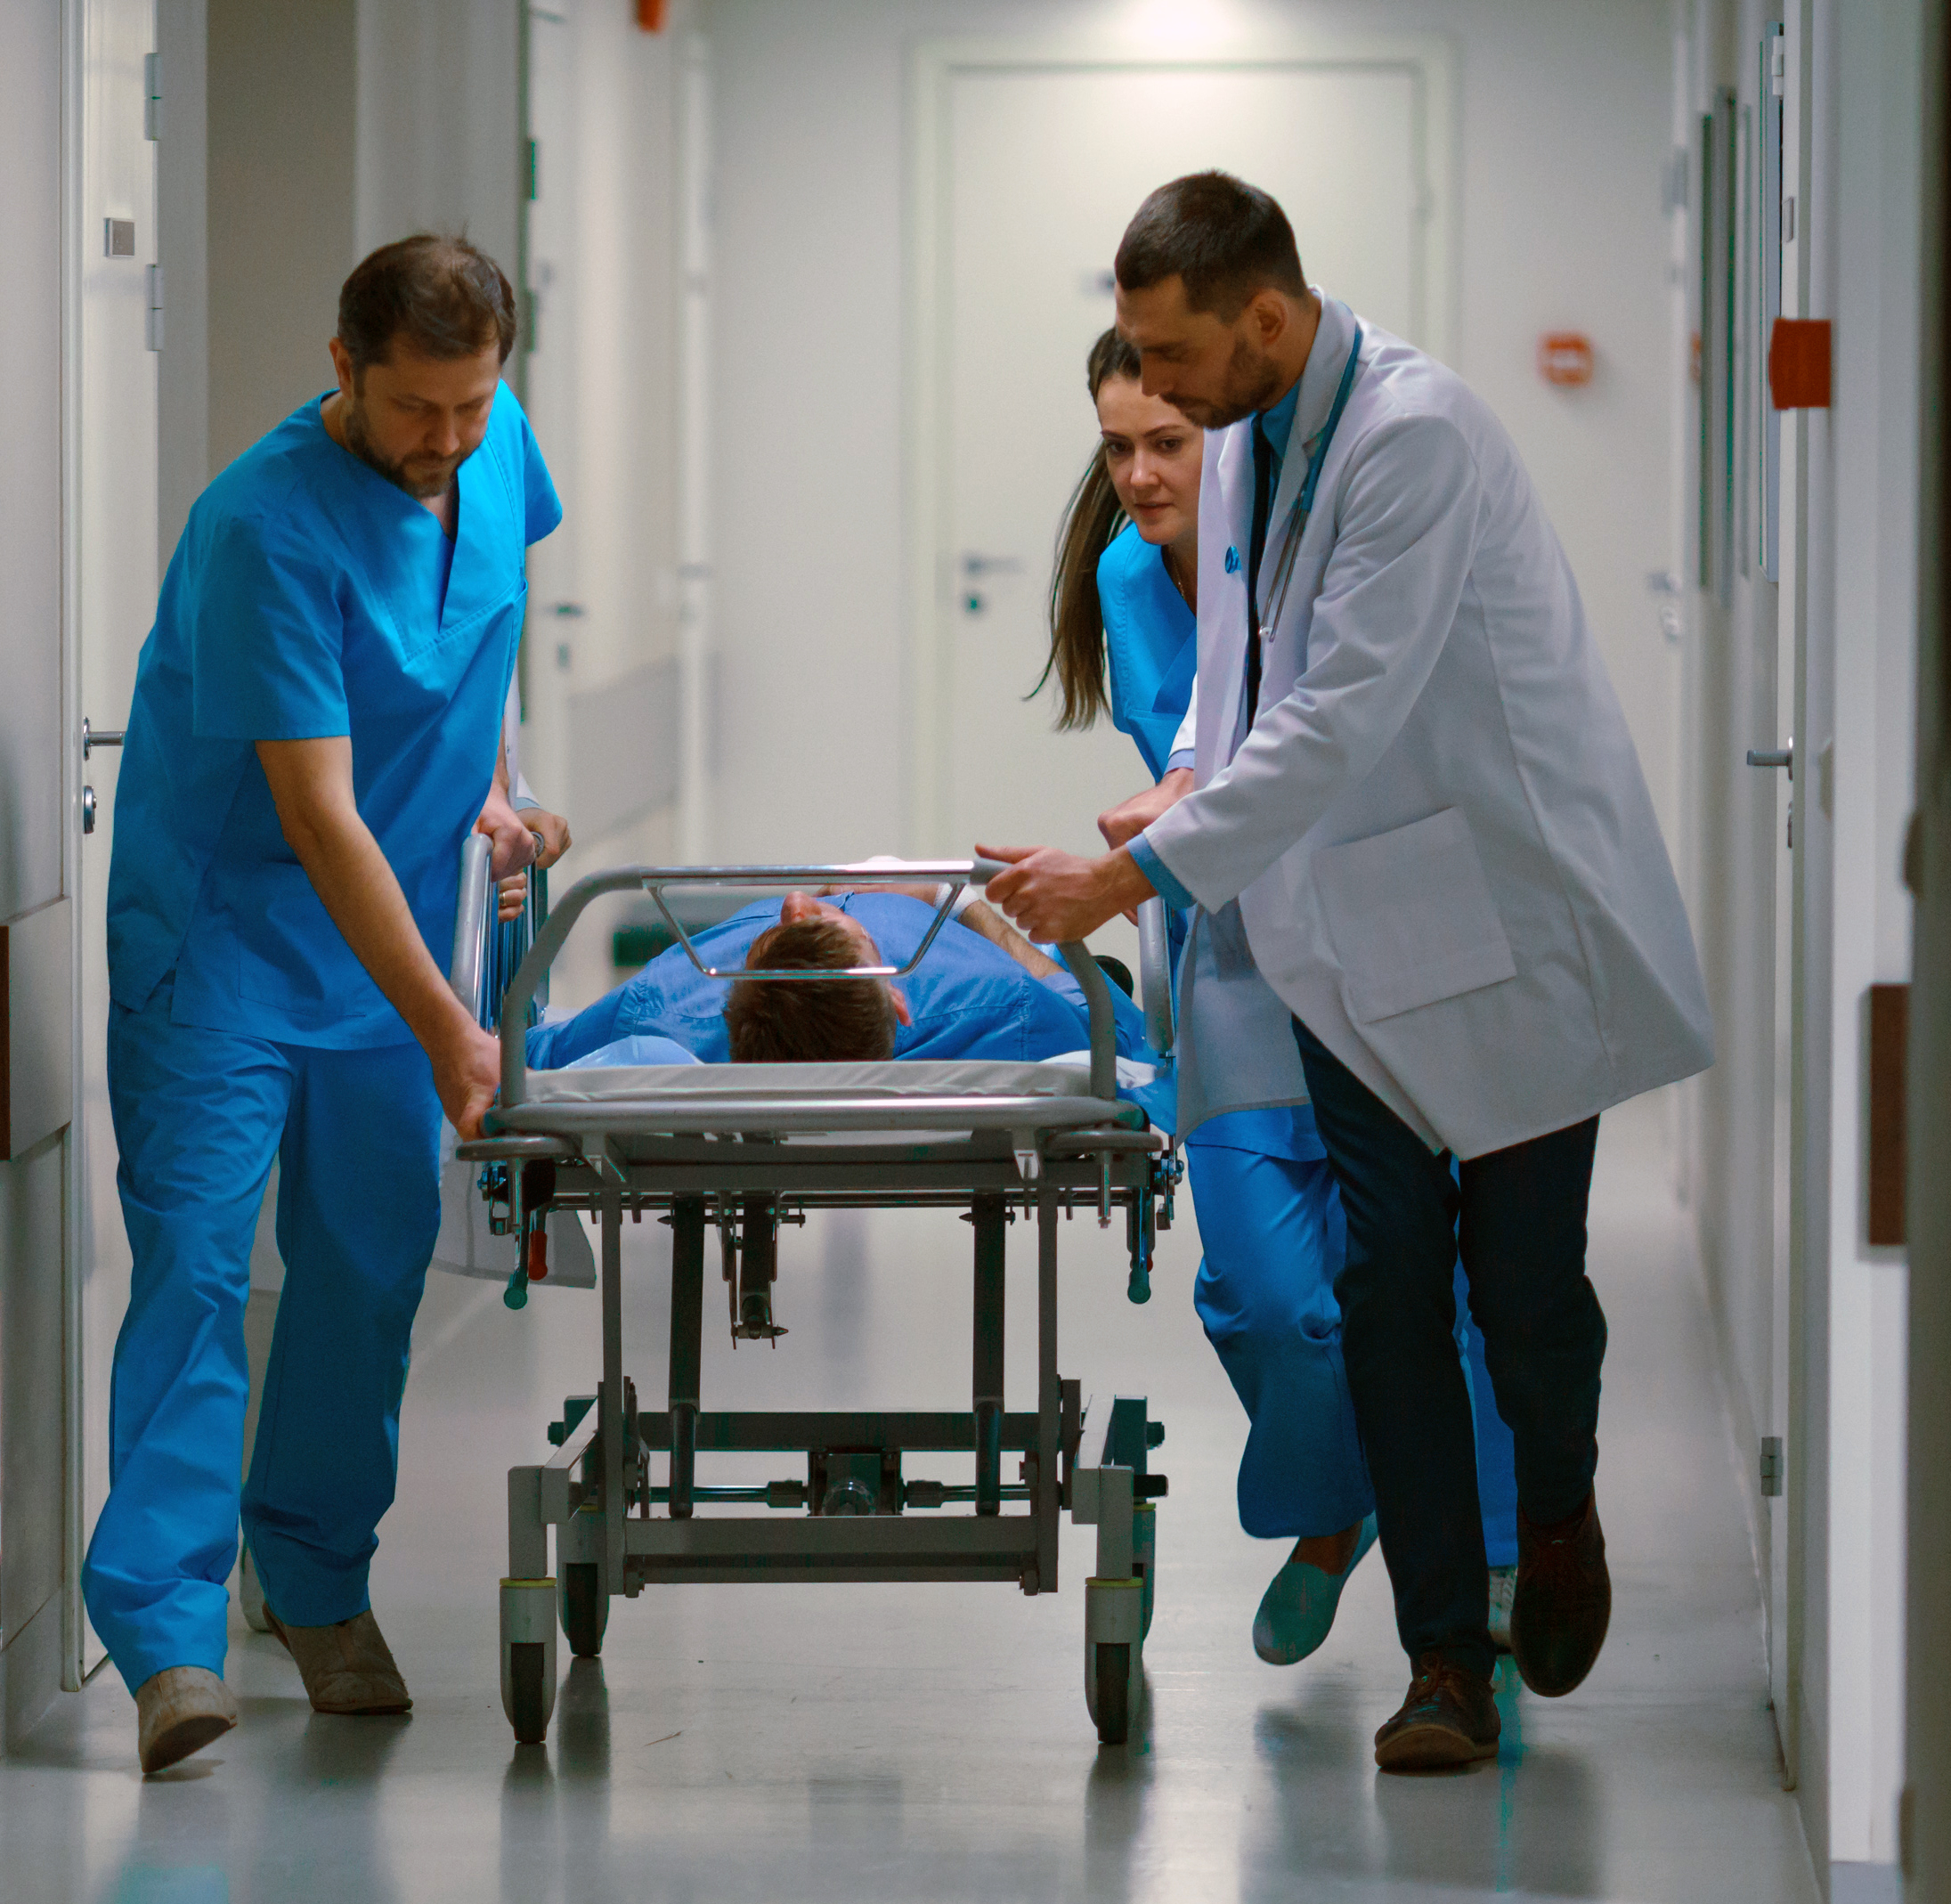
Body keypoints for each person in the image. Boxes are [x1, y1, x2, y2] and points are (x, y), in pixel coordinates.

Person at [985, 172, 1712, 1771]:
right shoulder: (1248, 443)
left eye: (1172, 356)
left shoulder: (1415, 439)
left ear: (1265, 315)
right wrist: (1169, 787)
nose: (1152, 396)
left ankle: (1563, 1502)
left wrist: (1128, 871)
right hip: (1342, 941)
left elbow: (1344, 711)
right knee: (1386, 1289)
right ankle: (1446, 1657)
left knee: (1519, 1293)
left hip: (1503, 929)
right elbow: (1243, 684)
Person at [90, 235, 569, 1775]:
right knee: (197, 1270)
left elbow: (488, 639)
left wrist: (502, 789)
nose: (447, 443)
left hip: (390, 953)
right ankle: (165, 1638)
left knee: (365, 1274)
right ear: (342, 368)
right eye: (417, 409)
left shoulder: (495, 455)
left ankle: (313, 1577)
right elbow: (318, 812)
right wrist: (452, 1026)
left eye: (473, 406)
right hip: (224, 950)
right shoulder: (262, 526)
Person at [1040, 327, 1524, 1667]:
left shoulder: (1333, 546)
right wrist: (1167, 827)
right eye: (1115, 447)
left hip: (1388, 957)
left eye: (1165, 442)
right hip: (1241, 965)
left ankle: (1485, 1561)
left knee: (1436, 1289)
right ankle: (1338, 1508)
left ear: (1231, 434)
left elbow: (1314, 737)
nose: (1138, 474)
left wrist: (1173, 813)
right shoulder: (1129, 580)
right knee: (1264, 1298)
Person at [527, 882, 1144, 1070]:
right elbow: (1117, 1031)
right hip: (950, 930)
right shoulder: (996, 1003)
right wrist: (959, 904)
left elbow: (532, 1056)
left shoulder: (661, 1004)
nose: (799, 899)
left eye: (779, 936)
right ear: (898, 1003)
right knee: (1098, 973)